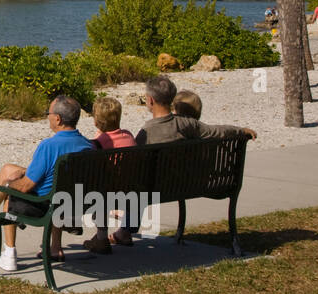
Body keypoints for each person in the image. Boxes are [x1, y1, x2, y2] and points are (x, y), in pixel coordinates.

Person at [0, 95, 95, 273]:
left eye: (48, 113)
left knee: (9, 188)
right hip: (71, 204)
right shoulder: (87, 145)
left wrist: (9, 182)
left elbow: (26, 187)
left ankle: (8, 253)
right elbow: (58, 171)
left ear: (58, 119)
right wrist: (21, 171)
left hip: (47, 205)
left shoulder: (49, 146)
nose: (47, 116)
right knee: (9, 168)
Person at [109, 75, 257, 247]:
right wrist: (241, 131)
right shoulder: (187, 124)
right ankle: (125, 228)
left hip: (157, 188)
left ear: (150, 101)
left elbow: (134, 166)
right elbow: (216, 131)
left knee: (137, 184)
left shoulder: (147, 132)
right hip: (191, 184)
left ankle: (124, 231)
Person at [81, 96, 136, 255]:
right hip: (130, 190)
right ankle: (121, 233)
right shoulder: (128, 136)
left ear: (96, 121)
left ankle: (102, 237)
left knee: (99, 189)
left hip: (106, 194)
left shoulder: (97, 143)